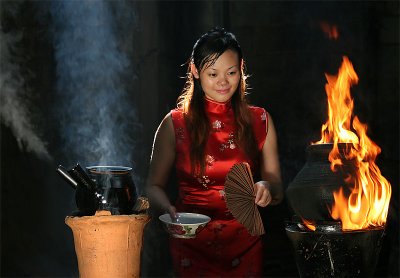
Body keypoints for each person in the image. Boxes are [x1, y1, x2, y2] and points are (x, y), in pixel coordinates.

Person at [146, 27, 283, 277]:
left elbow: (277, 187)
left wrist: (266, 186)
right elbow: (153, 186)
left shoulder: (259, 119)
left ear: (241, 68)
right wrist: (167, 209)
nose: (223, 81)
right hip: (191, 241)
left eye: (231, 72)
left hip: (245, 243)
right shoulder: (175, 123)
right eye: (213, 73)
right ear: (195, 71)